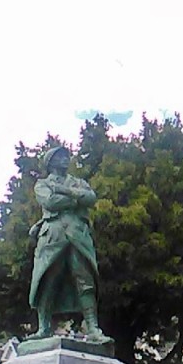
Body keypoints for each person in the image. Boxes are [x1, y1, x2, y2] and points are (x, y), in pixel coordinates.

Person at [27, 146, 111, 343]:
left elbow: (90, 198)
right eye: (60, 156)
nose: (65, 159)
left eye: (66, 156)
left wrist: (65, 191)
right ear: (50, 162)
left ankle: (93, 328)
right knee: (48, 281)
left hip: (78, 235)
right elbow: (50, 203)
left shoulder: (78, 182)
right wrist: (76, 199)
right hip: (52, 236)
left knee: (85, 281)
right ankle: (44, 327)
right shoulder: (42, 184)